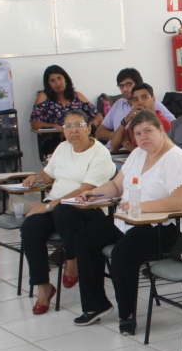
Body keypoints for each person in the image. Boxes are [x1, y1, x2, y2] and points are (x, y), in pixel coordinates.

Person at [73, 110, 182, 335]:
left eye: (148, 131)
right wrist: (94, 193)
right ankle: (96, 305)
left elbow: (179, 202)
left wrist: (142, 207)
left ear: (161, 130)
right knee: (84, 238)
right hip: (129, 219)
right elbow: (117, 186)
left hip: (166, 227)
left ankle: (127, 315)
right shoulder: (138, 154)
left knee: (122, 253)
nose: (143, 137)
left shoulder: (177, 159)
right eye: (138, 134)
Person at [19, 110, 115, 314]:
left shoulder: (100, 154)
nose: (73, 131)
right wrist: (34, 178)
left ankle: (72, 261)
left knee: (64, 210)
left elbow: (84, 190)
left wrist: (47, 206)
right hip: (56, 207)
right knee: (30, 227)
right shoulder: (62, 148)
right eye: (68, 126)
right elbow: (48, 174)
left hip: (89, 209)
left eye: (79, 125)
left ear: (89, 128)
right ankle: (43, 287)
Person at [30, 65, 100, 157]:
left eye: (59, 78)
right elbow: (35, 123)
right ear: (48, 85)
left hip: (80, 138)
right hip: (55, 141)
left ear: (66, 79)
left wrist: (90, 126)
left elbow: (98, 116)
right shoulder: (44, 97)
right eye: (52, 80)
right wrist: (55, 127)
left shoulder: (78, 96)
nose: (57, 83)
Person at [97, 67, 175, 146]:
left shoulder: (151, 103)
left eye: (128, 84)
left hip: (136, 150)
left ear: (138, 83)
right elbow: (99, 133)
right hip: (113, 150)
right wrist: (120, 136)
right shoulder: (118, 104)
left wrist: (127, 140)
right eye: (121, 86)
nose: (124, 89)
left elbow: (174, 125)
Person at [109, 83, 172, 152]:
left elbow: (150, 154)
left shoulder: (162, 122)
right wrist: (125, 121)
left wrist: (127, 143)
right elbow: (113, 147)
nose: (140, 102)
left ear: (153, 100)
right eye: (136, 99)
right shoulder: (137, 122)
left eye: (144, 98)